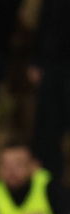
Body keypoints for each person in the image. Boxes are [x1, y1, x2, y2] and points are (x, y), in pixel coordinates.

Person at [29, 0, 70, 188]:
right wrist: (37, 58)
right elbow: (47, 19)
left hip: (55, 65)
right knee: (48, 135)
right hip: (54, 66)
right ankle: (51, 193)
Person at [0, 143, 69, 214]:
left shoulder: (50, 187)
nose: (11, 172)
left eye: (18, 165)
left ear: (34, 165)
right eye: (5, 166)